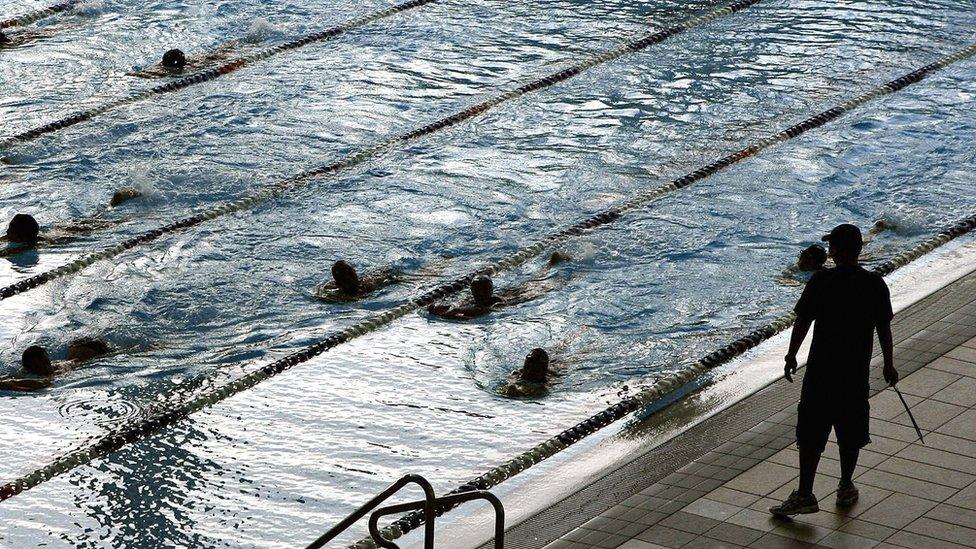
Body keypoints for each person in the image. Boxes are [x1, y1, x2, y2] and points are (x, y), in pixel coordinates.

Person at [770, 223, 897, 517]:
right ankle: (845, 485)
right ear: (860, 249)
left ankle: (805, 493)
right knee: (850, 431)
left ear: (836, 251)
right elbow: (884, 328)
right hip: (854, 372)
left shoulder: (821, 281)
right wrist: (889, 364)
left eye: (831, 246)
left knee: (812, 432)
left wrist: (791, 355)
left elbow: (802, 322)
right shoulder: (874, 284)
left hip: (821, 371)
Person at [428, 252, 571, 321]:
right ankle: (551, 264)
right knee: (533, 280)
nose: (480, 293)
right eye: (477, 290)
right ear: (472, 291)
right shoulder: (472, 301)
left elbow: (482, 311)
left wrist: (454, 312)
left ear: (491, 290)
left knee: (537, 282)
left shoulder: (497, 302)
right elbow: (443, 307)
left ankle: (551, 265)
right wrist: (440, 308)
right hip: (511, 292)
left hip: (521, 297)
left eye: (483, 289)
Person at [1, 189, 142, 258]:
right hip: (63, 227)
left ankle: (130, 216)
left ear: (22, 237)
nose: (7, 232)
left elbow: (8, 252)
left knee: (111, 223)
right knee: (98, 216)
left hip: (74, 232)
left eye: (10, 229)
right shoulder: (21, 237)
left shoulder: (34, 244)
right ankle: (113, 204)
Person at [0, 339, 112, 391]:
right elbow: (11, 376)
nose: (46, 368)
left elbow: (43, 384)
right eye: (39, 367)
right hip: (76, 350)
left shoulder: (56, 372)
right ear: (29, 368)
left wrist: (11, 385)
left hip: (91, 352)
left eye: (46, 363)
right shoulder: (27, 371)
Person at [129, 43, 241, 78]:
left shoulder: (158, 70)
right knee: (215, 55)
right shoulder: (188, 66)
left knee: (214, 56)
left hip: (202, 61)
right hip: (201, 60)